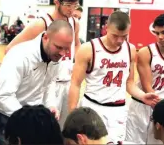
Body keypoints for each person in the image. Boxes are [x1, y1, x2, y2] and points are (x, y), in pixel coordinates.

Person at [68, 11, 159, 142]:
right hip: (93, 106)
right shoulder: (88, 48)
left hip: (118, 109)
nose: (120, 40)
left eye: (124, 36)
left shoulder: (130, 49)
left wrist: (142, 96)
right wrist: (73, 114)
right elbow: (75, 84)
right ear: (106, 28)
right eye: (115, 36)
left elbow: (129, 83)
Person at [5, 0, 81, 129]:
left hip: (68, 82)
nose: (72, 9)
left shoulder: (74, 23)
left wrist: (74, 63)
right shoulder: (41, 24)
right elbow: (11, 49)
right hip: (47, 85)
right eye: (68, 5)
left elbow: (77, 44)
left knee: (67, 128)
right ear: (56, 2)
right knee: (47, 129)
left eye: (75, 5)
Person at [0, 20, 73, 145]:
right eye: (58, 47)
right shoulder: (20, 55)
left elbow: (50, 83)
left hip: (31, 120)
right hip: (6, 118)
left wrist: (50, 105)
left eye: (66, 49)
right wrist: (30, 120)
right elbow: (3, 96)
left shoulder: (55, 56)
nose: (62, 53)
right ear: (45, 37)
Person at [125, 14, 164, 144]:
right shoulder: (145, 52)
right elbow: (148, 87)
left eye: (163, 32)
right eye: (157, 33)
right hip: (143, 106)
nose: (160, 37)